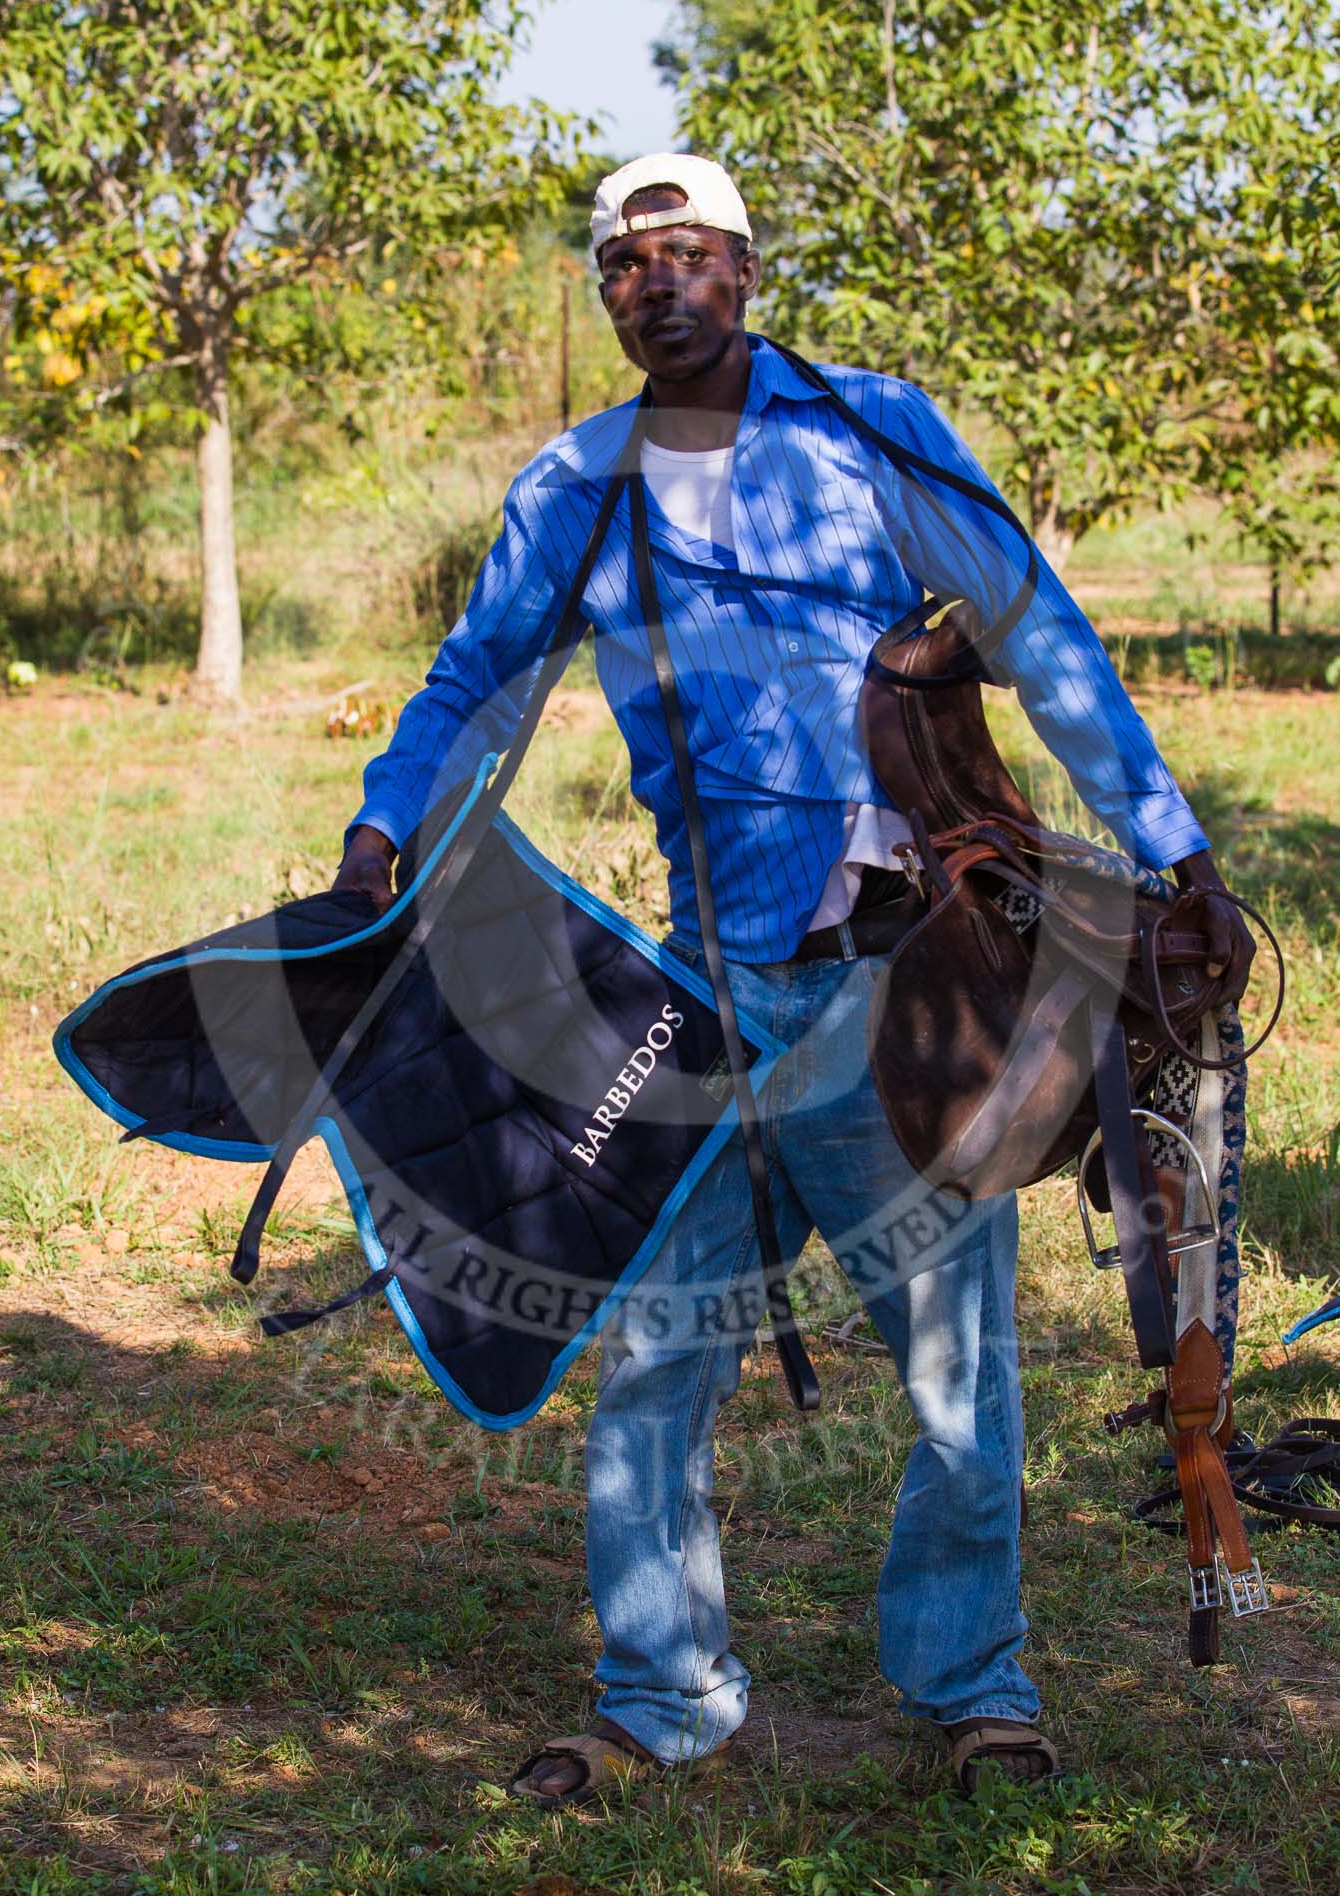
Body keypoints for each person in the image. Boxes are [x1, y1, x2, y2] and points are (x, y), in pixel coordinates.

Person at [333, 154, 1254, 1798]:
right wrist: (378, 831)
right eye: (629, 265)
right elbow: (476, 675)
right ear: (606, 292)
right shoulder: (576, 487)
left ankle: (973, 1686)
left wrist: (1172, 846)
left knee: (957, 1378)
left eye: (691, 256)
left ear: (745, 275)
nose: (660, 285)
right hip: (700, 1000)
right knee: (653, 1363)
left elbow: (1035, 634)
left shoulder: (869, 429)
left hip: (899, 995)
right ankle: (656, 1695)